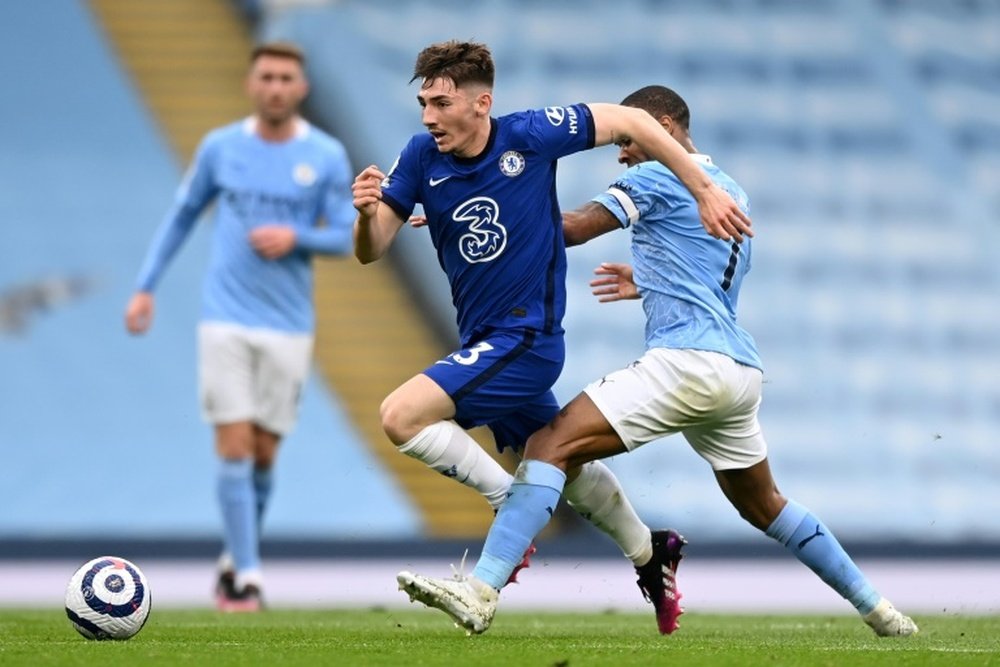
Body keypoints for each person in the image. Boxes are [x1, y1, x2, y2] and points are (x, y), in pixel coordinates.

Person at [396, 85, 919, 638]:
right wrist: (645, 280)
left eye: (627, 139)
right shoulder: (732, 189)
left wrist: (474, 208)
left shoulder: (654, 175)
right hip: (738, 371)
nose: (621, 152)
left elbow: (570, 227)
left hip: (686, 363)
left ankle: (480, 592)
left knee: (549, 445)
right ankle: (883, 613)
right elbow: (709, 282)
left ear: (663, 126)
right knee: (764, 504)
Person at [353, 41, 751, 612]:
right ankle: (650, 552)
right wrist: (367, 215)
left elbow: (633, 120)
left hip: (527, 338)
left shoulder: (531, 135)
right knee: (567, 462)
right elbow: (373, 250)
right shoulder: (419, 157)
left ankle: (506, 509)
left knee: (400, 416)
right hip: (483, 339)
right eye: (423, 103)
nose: (427, 117)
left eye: (440, 103)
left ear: (480, 102)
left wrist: (703, 188)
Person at [124, 42, 356, 611]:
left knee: (264, 454)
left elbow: (349, 236)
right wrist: (145, 286)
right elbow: (182, 215)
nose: (275, 87)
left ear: (300, 88)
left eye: (286, 78)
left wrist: (295, 236)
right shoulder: (221, 148)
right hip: (224, 318)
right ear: (252, 84)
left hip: (289, 324)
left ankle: (235, 556)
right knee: (232, 444)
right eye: (266, 77)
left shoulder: (325, 154)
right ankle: (248, 574)